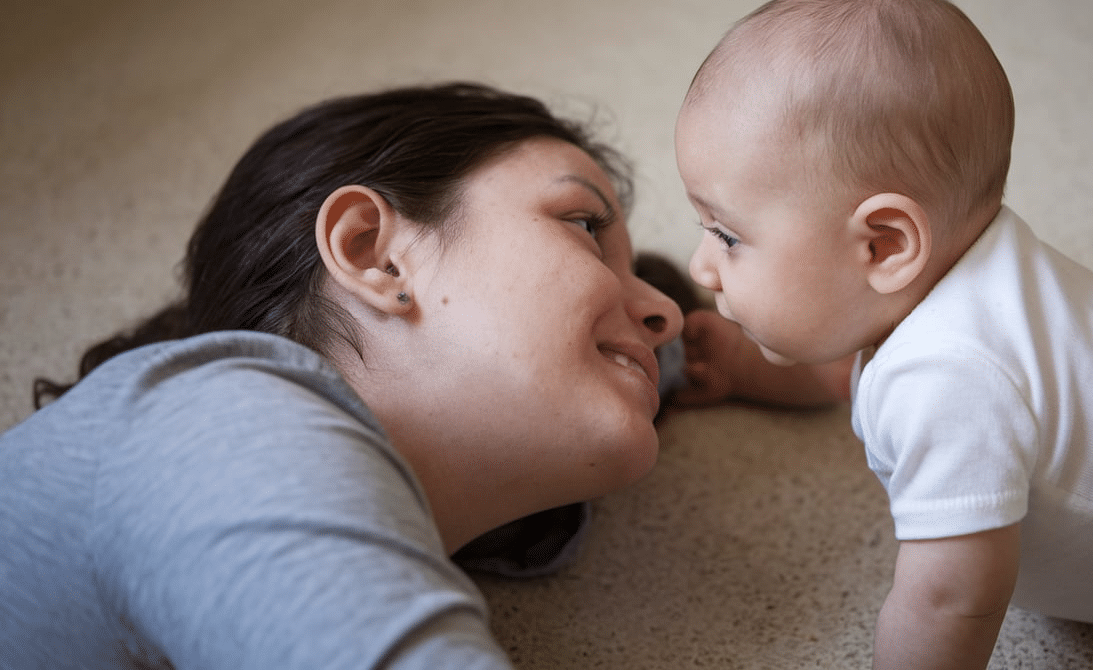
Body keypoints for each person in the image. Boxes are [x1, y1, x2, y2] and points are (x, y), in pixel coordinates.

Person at [1, 81, 833, 669]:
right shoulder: (221, 419)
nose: (653, 311)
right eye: (582, 224)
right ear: (375, 253)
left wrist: (754, 352)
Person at [673, 0, 1093, 670]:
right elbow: (840, 373)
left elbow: (950, 601)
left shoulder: (949, 382)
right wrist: (743, 366)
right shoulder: (952, 273)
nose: (702, 268)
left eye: (726, 236)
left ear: (885, 245)